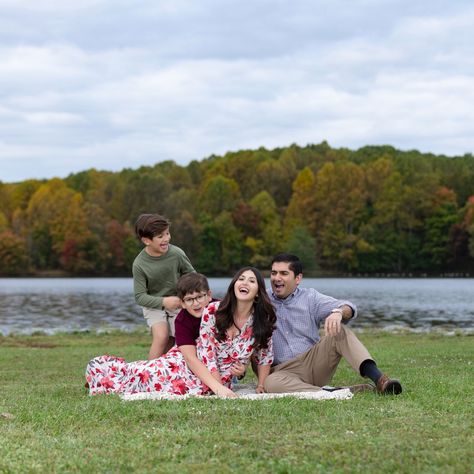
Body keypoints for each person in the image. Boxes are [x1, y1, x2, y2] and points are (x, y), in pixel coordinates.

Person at [85, 267, 276, 398]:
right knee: (142, 374)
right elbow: (204, 355)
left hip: (215, 375)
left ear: (258, 291)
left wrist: (260, 384)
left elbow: (265, 354)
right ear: (233, 285)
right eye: (241, 279)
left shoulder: (261, 320)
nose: (245, 282)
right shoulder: (213, 311)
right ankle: (100, 372)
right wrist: (217, 387)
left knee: (157, 384)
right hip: (188, 363)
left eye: (251, 281)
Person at [264, 253, 402, 395]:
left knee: (339, 331)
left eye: (283, 273)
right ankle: (334, 392)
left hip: (313, 362)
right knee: (271, 384)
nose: (277, 278)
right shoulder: (262, 300)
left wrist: (338, 313)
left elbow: (349, 306)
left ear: (298, 278)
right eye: (274, 273)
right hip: (281, 372)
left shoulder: (310, 298)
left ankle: (380, 380)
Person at [133, 213, 195, 359]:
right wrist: (164, 302)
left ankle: (170, 371)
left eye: (167, 233)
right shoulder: (139, 264)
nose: (166, 238)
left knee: (180, 337)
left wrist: (186, 297)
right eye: (160, 236)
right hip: (153, 305)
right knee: (161, 336)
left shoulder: (177, 254)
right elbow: (140, 297)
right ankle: (147, 376)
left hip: (178, 303)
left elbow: (193, 277)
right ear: (146, 240)